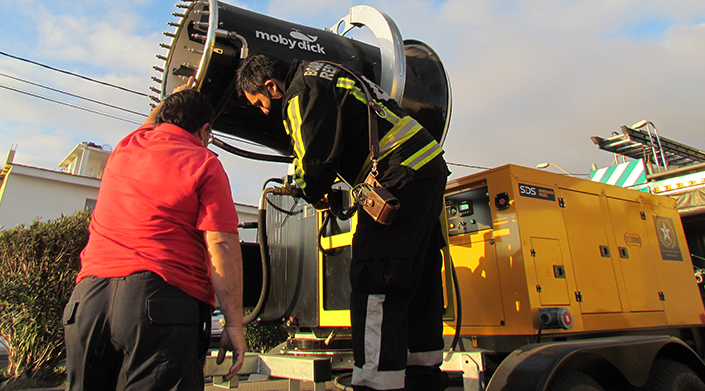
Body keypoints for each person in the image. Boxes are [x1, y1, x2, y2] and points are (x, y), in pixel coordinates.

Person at [236, 55, 449, 391]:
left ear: (271, 87)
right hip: (426, 166)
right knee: (418, 271)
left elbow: (316, 160)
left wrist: (306, 189)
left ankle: (376, 382)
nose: (265, 112)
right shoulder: (323, 70)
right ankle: (423, 370)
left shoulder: (300, 92)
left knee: (375, 274)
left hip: (398, 175)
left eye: (260, 104)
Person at [64, 79, 245, 391]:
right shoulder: (204, 163)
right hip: (160, 303)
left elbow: (151, 123)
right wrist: (234, 323)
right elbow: (222, 244)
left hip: (87, 303)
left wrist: (171, 98)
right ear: (204, 131)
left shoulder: (127, 147)